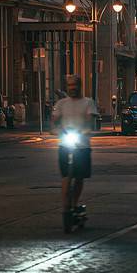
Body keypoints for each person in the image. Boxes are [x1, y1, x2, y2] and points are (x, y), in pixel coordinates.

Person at [52, 75, 98, 228]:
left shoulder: (88, 103)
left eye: (75, 85)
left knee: (78, 177)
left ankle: (75, 203)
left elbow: (90, 120)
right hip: (65, 143)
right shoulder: (61, 104)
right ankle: (66, 206)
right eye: (69, 85)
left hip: (82, 145)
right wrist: (54, 129)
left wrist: (87, 130)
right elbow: (55, 120)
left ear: (80, 86)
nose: (72, 88)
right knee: (66, 175)